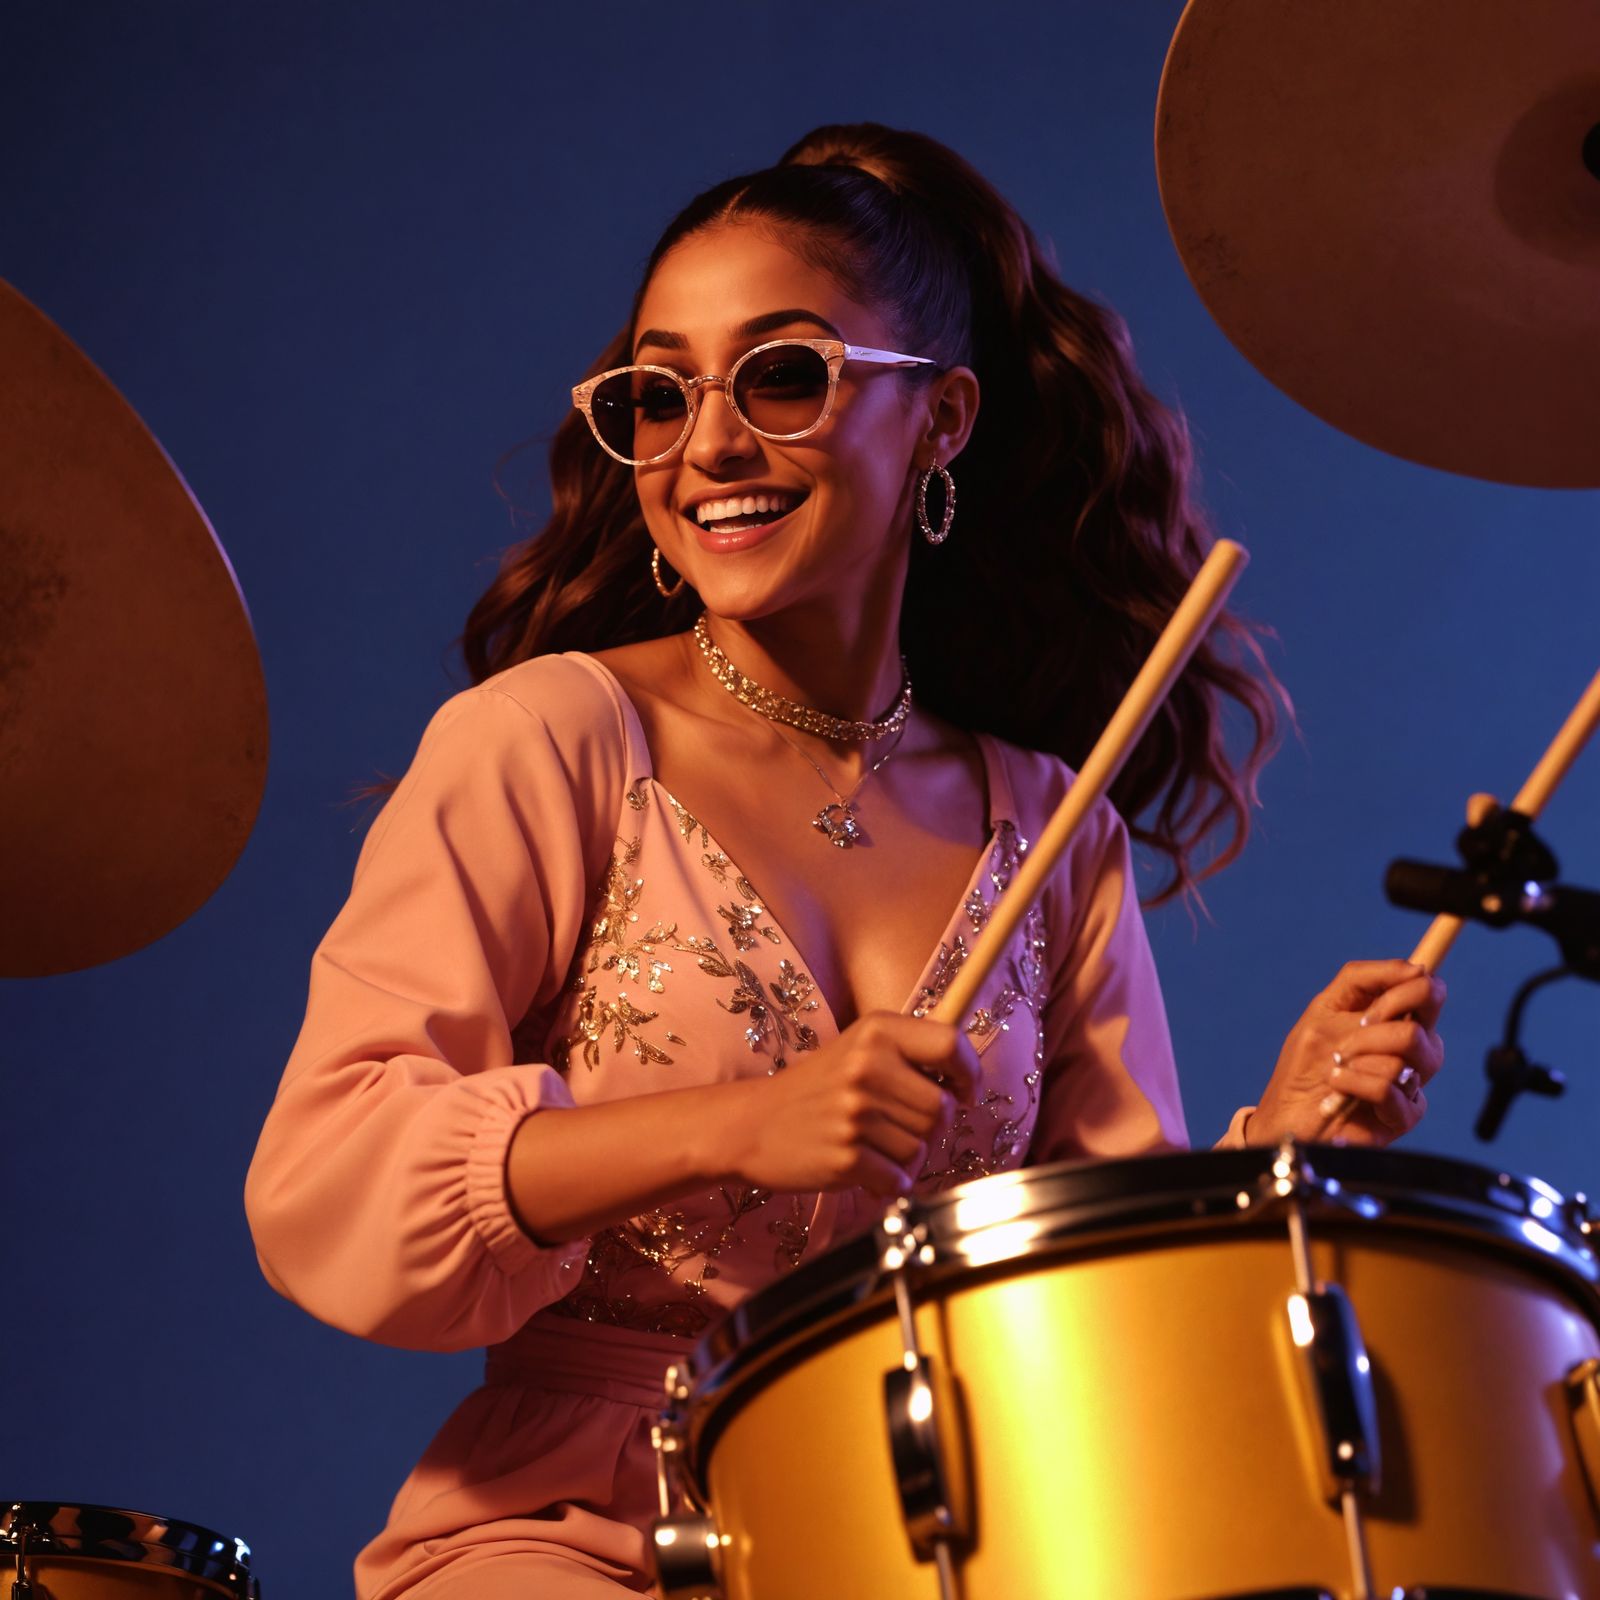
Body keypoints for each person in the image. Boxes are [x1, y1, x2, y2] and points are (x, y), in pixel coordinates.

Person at [244, 123, 1446, 1599]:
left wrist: (1289, 1158)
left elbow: (1112, 1294)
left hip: (946, 1532)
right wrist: (739, 1124)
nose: (710, 445)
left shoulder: (1051, 826)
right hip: (576, 1528)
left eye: (785, 373)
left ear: (940, 421)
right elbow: (330, 1176)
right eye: (658, 392)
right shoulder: (549, 740)